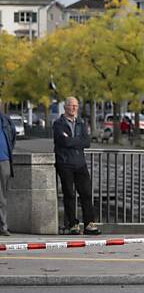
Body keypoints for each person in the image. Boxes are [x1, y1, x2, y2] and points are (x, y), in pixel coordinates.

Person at [53, 97, 99, 235]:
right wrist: (76, 141)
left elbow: (87, 142)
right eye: (71, 106)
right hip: (65, 163)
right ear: (65, 107)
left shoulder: (81, 123)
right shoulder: (58, 124)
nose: (74, 108)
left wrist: (72, 140)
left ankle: (89, 224)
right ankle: (73, 224)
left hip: (80, 163)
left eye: (76, 106)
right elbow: (63, 142)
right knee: (69, 194)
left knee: (86, 193)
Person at [0, 107, 16, 236]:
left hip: (4, 160)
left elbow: (12, 138)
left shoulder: (6, 120)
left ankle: (2, 226)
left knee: (2, 197)